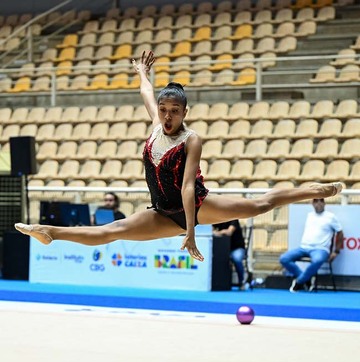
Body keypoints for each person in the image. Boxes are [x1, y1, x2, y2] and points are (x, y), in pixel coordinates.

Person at [15, 51, 343, 262]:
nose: (168, 115)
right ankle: (47, 231)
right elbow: (146, 91)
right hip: (161, 211)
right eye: (163, 110)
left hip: (197, 205)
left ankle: (314, 189)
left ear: (186, 111)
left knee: (258, 205)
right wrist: (142, 72)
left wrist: (190, 230)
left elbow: (187, 187)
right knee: (110, 231)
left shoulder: (191, 139)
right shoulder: (156, 127)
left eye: (174, 111)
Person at [279, 198, 344, 292]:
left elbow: (340, 233)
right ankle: (307, 280)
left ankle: (299, 282)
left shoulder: (331, 217)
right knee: (284, 258)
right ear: (312, 203)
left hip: (321, 249)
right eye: (316, 201)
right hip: (304, 247)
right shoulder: (309, 215)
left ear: (324, 203)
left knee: (317, 260)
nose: (319, 203)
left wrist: (336, 251)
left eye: (321, 201)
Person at [213, 220, 246, 288]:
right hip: (223, 249)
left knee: (236, 258)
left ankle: (242, 281)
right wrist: (215, 232)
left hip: (236, 248)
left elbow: (229, 232)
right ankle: (218, 282)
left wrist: (218, 232)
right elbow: (210, 230)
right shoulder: (217, 220)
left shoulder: (234, 220)